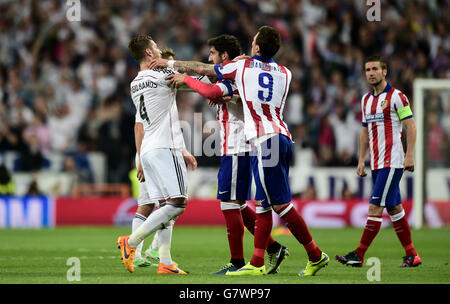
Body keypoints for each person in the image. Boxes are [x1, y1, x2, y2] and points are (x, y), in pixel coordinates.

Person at [151, 26, 329, 277]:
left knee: (272, 204)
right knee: (262, 205)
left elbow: (205, 77)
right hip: (272, 138)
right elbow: (212, 81)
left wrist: (176, 68)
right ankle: (261, 259)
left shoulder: (240, 70)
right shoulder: (284, 72)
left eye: (212, 53)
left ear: (255, 48)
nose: (209, 57)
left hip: (253, 142)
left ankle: (311, 254)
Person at [117, 34, 197, 275]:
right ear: (149, 54)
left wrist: (140, 157)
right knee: (178, 202)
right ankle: (130, 242)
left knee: (164, 206)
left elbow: (139, 124)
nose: (161, 53)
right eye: (157, 49)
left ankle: (165, 261)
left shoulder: (135, 83)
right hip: (164, 147)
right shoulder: (161, 75)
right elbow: (197, 80)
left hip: (149, 149)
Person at [335, 55, 421, 268]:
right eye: (367, 69)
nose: (371, 73)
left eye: (375, 69)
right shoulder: (365, 100)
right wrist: (361, 160)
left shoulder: (397, 97)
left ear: (384, 72)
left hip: (392, 161)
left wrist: (409, 155)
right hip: (376, 162)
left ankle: (359, 254)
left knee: (375, 207)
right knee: (394, 208)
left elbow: (410, 126)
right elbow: (364, 132)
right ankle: (412, 255)